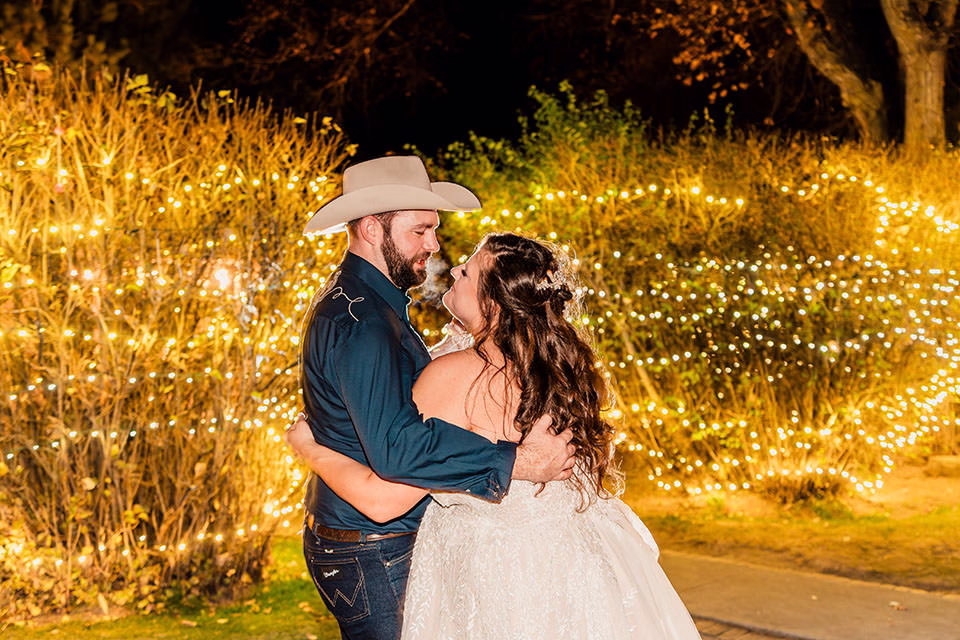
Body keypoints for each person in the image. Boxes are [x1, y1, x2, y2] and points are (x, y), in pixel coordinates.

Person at [288, 232, 703, 639]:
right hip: (578, 567)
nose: (453, 266)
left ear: (493, 303)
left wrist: (309, 447)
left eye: (467, 272)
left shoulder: (453, 377)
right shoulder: (561, 369)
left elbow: (382, 499)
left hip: (498, 578)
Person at [295, 156, 576, 640]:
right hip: (372, 544)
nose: (435, 245)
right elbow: (399, 449)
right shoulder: (363, 322)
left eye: (434, 230)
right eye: (420, 230)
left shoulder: (370, 303)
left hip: (368, 536)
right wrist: (518, 463)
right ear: (369, 229)